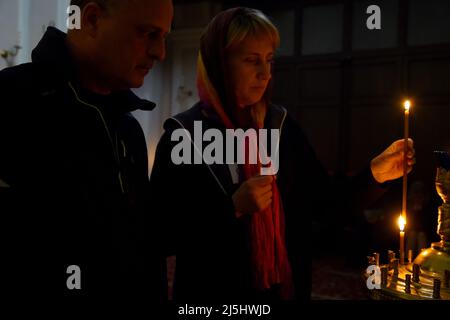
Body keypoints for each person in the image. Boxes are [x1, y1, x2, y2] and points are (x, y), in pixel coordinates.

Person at [150, 7, 415, 301]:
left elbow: (326, 203)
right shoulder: (183, 136)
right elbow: (160, 235)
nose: (265, 74)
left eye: (269, 60)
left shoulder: (282, 128)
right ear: (219, 65)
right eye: (252, 61)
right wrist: (232, 207)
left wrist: (375, 173)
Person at [0, 0, 173, 300]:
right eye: (147, 33)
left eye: (164, 37)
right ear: (92, 19)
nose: (160, 52)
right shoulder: (9, 103)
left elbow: (143, 248)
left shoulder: (128, 128)